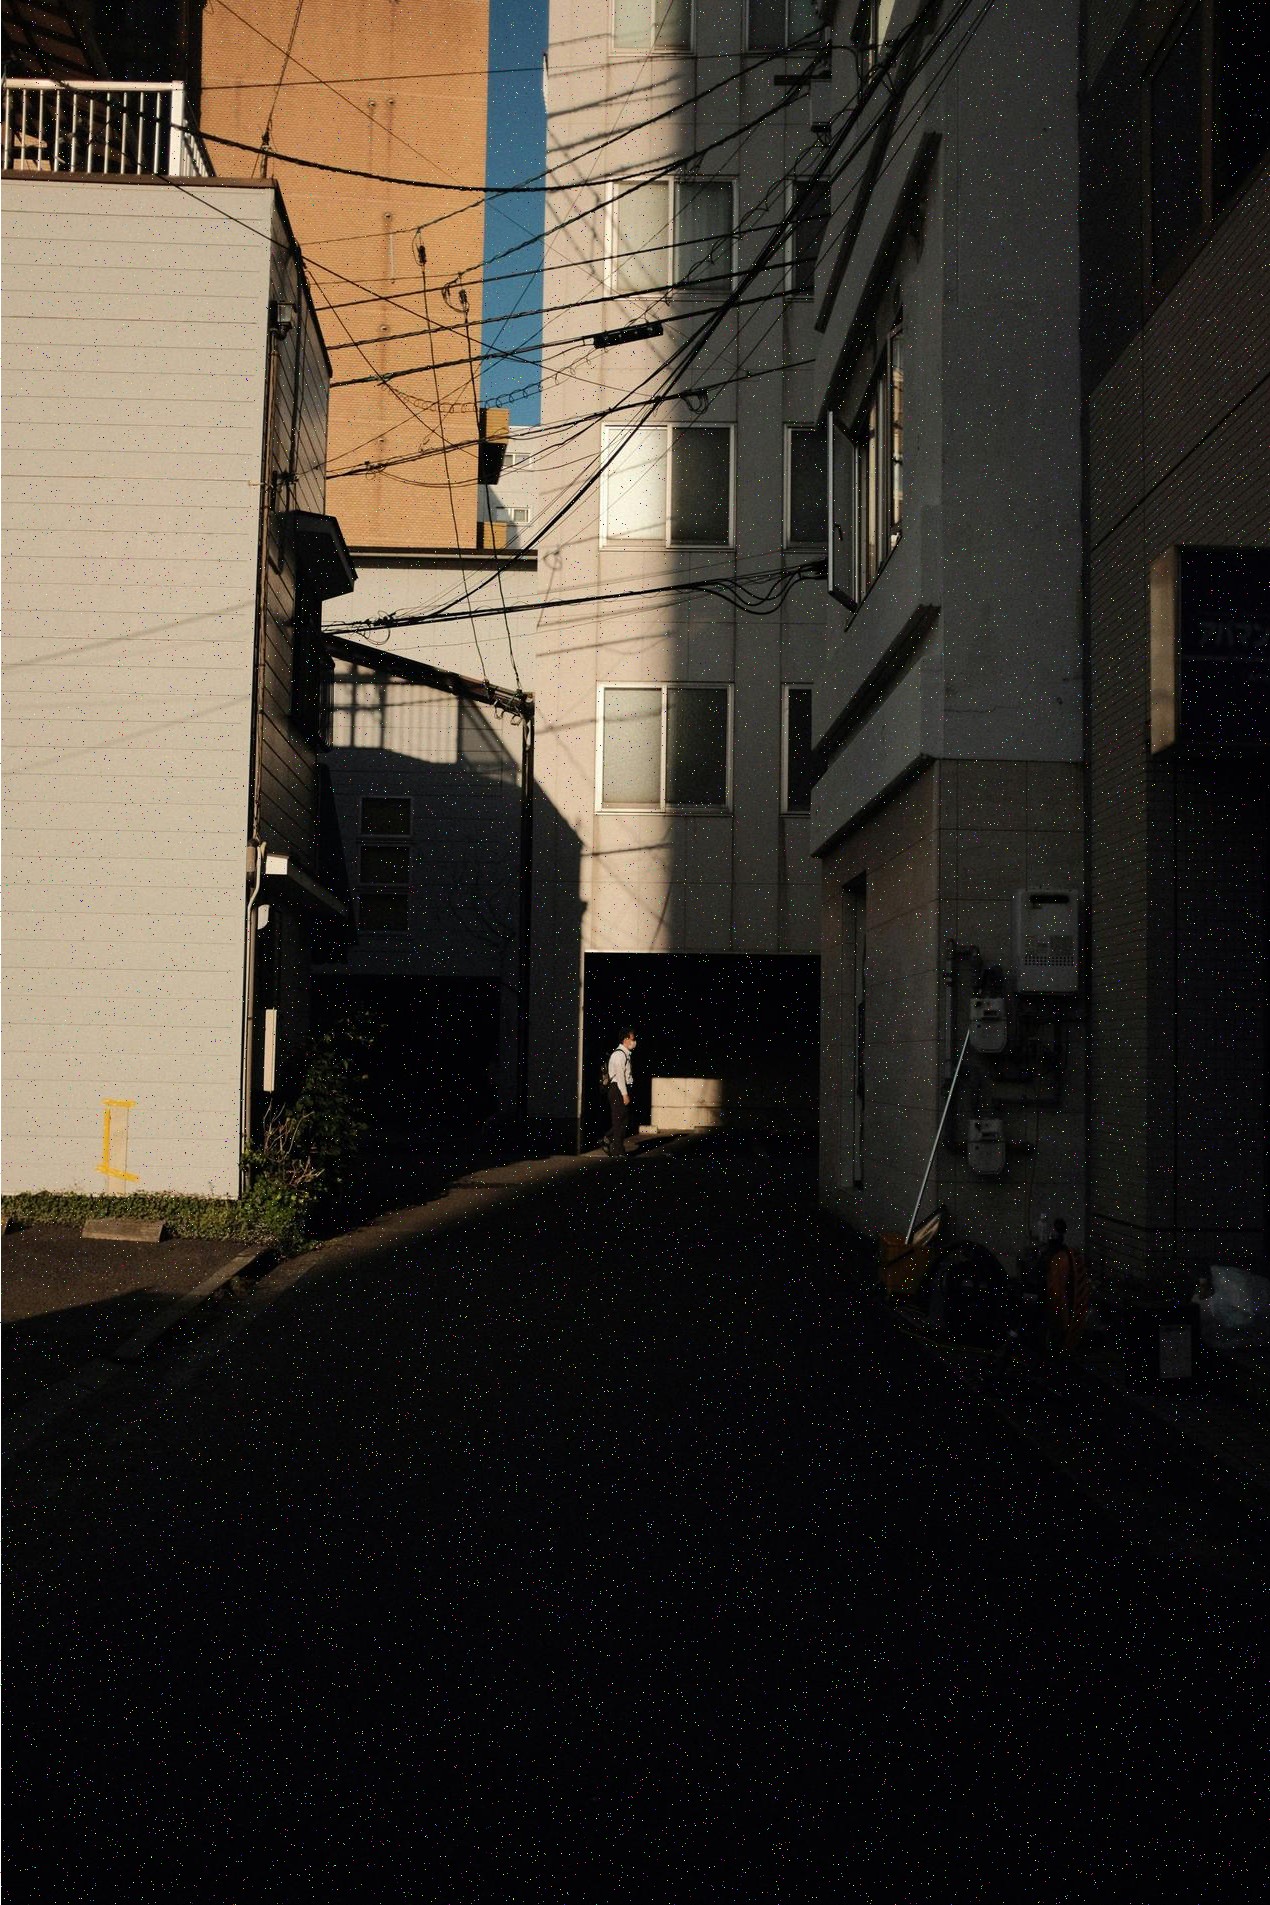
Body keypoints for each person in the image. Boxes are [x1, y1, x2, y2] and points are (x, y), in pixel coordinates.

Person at [605, 1029, 637, 1158]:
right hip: (617, 1089)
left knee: (623, 1119)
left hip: (620, 1088)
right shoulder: (619, 1055)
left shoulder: (625, 1054)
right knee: (620, 1120)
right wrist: (624, 1094)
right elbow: (620, 1077)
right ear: (625, 1040)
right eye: (633, 1039)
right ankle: (618, 1150)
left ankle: (608, 1138)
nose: (634, 1042)